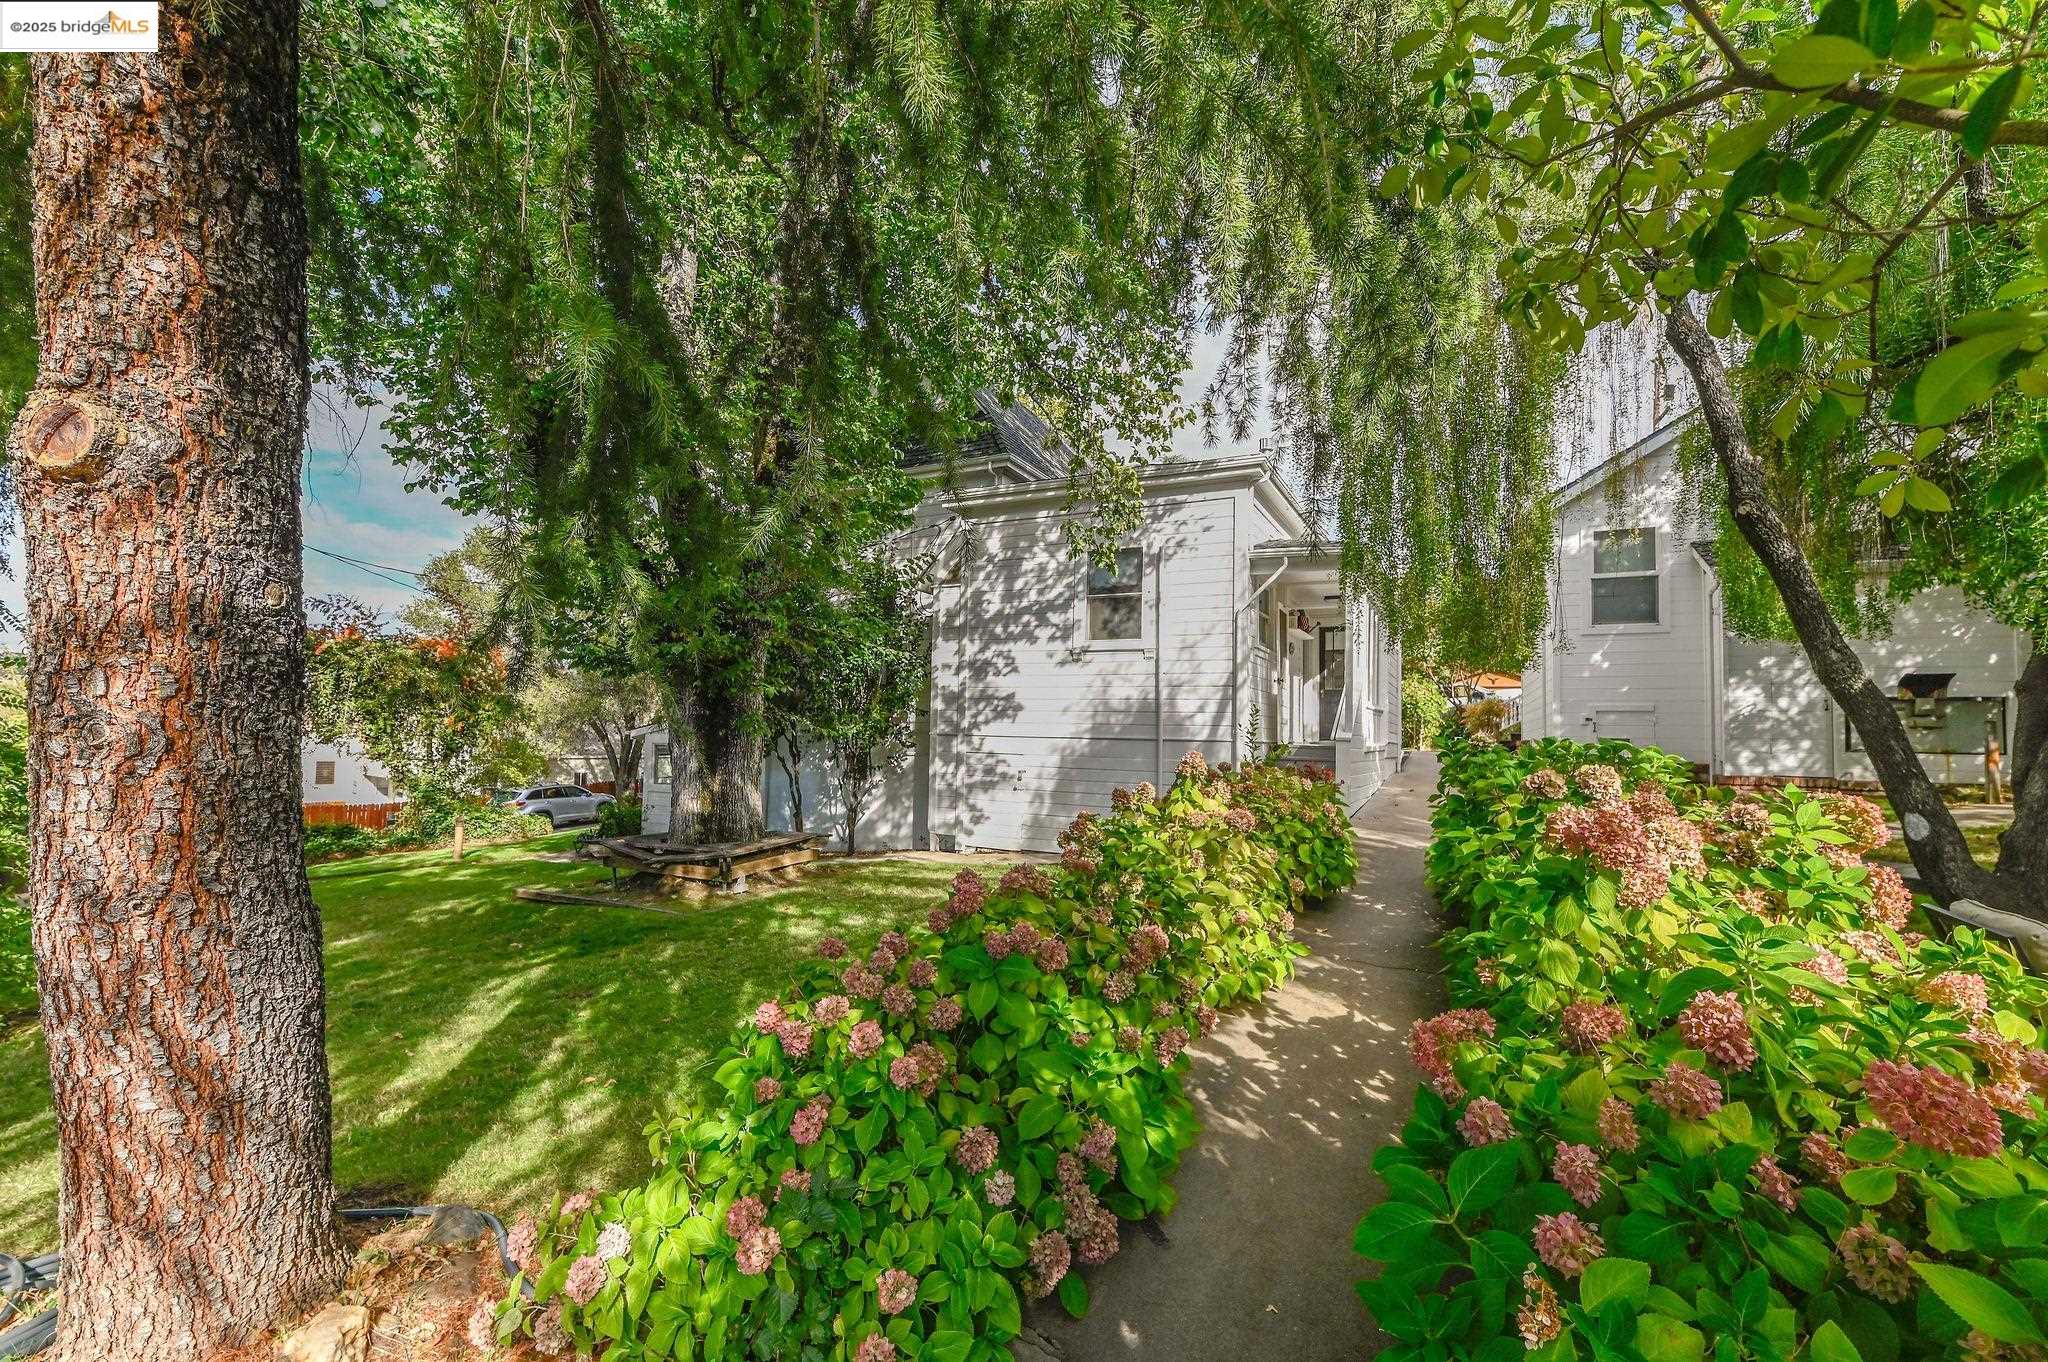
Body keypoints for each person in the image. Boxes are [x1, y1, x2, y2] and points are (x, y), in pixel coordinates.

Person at [1985, 722, 2005, 804]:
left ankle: (1995, 799)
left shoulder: (1993, 740)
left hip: (1993, 763)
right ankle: (1994, 799)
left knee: (1993, 779)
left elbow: (1991, 751)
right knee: (1992, 780)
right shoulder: (1990, 739)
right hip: (1991, 762)